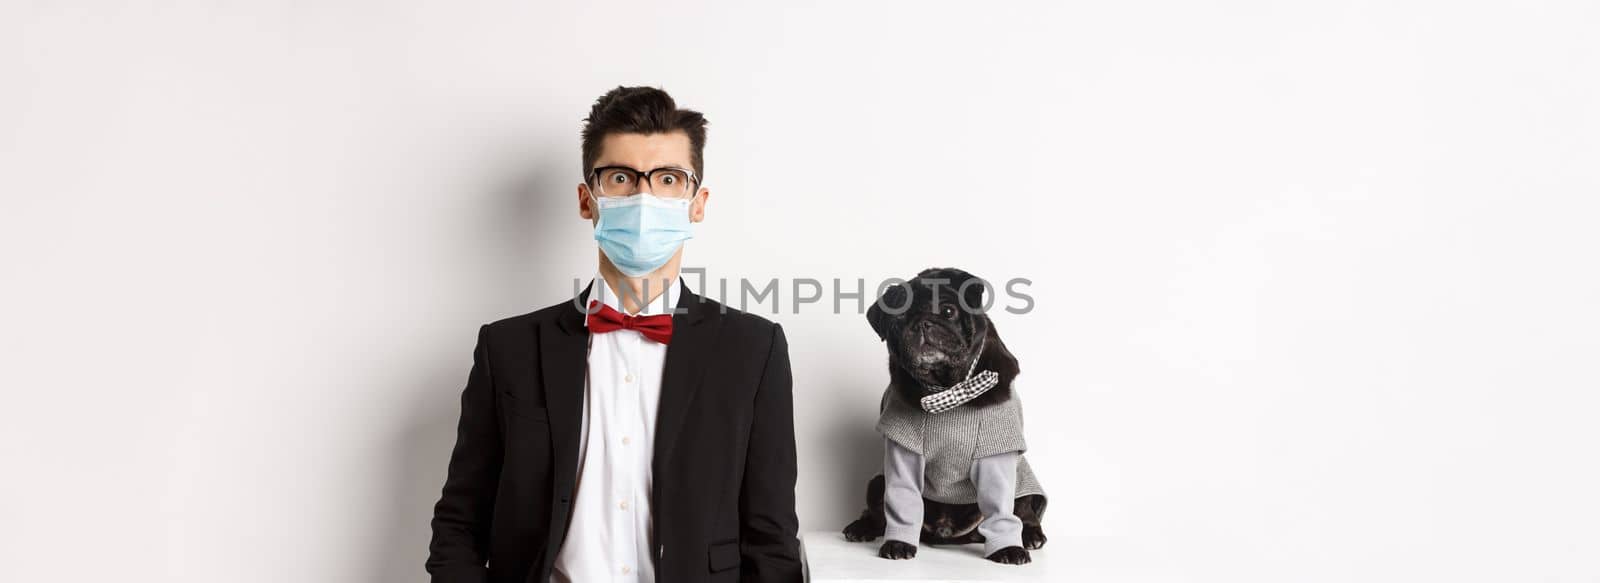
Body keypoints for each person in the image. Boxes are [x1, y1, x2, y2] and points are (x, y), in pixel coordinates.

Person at [425, 86, 802, 583]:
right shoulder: (508, 348)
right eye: (620, 177)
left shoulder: (754, 350)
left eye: (668, 178)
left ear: (697, 203)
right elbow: (460, 522)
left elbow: (771, 541)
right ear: (588, 199)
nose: (644, 196)